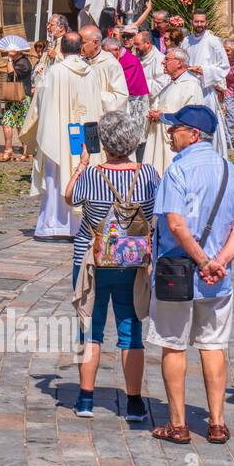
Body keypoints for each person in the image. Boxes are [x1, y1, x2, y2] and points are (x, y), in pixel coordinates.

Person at [148, 105, 234, 446]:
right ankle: (217, 422)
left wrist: (202, 259)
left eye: (175, 127)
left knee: (174, 346)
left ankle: (178, 424)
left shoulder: (176, 172)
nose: (169, 132)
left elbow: (175, 223)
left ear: (193, 134)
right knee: (213, 345)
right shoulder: (230, 171)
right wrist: (218, 261)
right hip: (217, 279)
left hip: (176, 273)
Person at [64, 110, 157, 422]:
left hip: (92, 260)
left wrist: (81, 165)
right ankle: (133, 403)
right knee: (131, 329)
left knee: (89, 327)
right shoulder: (148, 175)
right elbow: (154, 213)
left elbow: (69, 198)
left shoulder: (91, 176)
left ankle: (86, 398)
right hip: (132, 261)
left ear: (103, 141)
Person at [21, 33, 109, 239]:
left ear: (61, 49)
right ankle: (80, 226)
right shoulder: (91, 72)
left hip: (59, 135)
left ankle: (54, 225)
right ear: (81, 49)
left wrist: (40, 78)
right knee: (83, 175)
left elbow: (42, 104)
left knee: (56, 179)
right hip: (85, 134)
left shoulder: (55, 72)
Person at [141, 48, 203, 174]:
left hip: (174, 143)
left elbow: (192, 118)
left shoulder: (191, 85)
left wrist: (163, 116)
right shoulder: (171, 85)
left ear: (179, 63)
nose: (163, 62)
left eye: (167, 59)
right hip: (158, 140)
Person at [182, 9, 231, 155]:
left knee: (207, 125)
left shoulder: (213, 41)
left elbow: (224, 66)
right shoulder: (186, 41)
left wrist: (204, 70)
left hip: (206, 91)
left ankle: (211, 154)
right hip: (189, 89)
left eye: (202, 21)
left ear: (206, 22)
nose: (199, 24)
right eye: (196, 21)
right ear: (192, 22)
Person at [105, 36, 148, 147]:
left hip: (134, 102)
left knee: (132, 135)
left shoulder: (130, 61)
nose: (106, 55)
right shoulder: (114, 59)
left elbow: (124, 85)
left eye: (107, 52)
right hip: (122, 102)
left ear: (117, 50)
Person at [80, 25, 129, 116]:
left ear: (95, 42)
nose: (79, 46)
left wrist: (93, 94)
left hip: (101, 119)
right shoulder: (80, 62)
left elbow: (120, 98)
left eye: (82, 43)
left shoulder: (111, 64)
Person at [0, 42, 29, 163]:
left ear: (19, 50)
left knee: (21, 126)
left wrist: (9, 59)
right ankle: (8, 150)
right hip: (12, 98)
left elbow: (11, 73)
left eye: (13, 49)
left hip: (21, 98)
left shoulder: (24, 63)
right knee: (6, 123)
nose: (10, 50)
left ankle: (26, 152)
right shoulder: (15, 61)